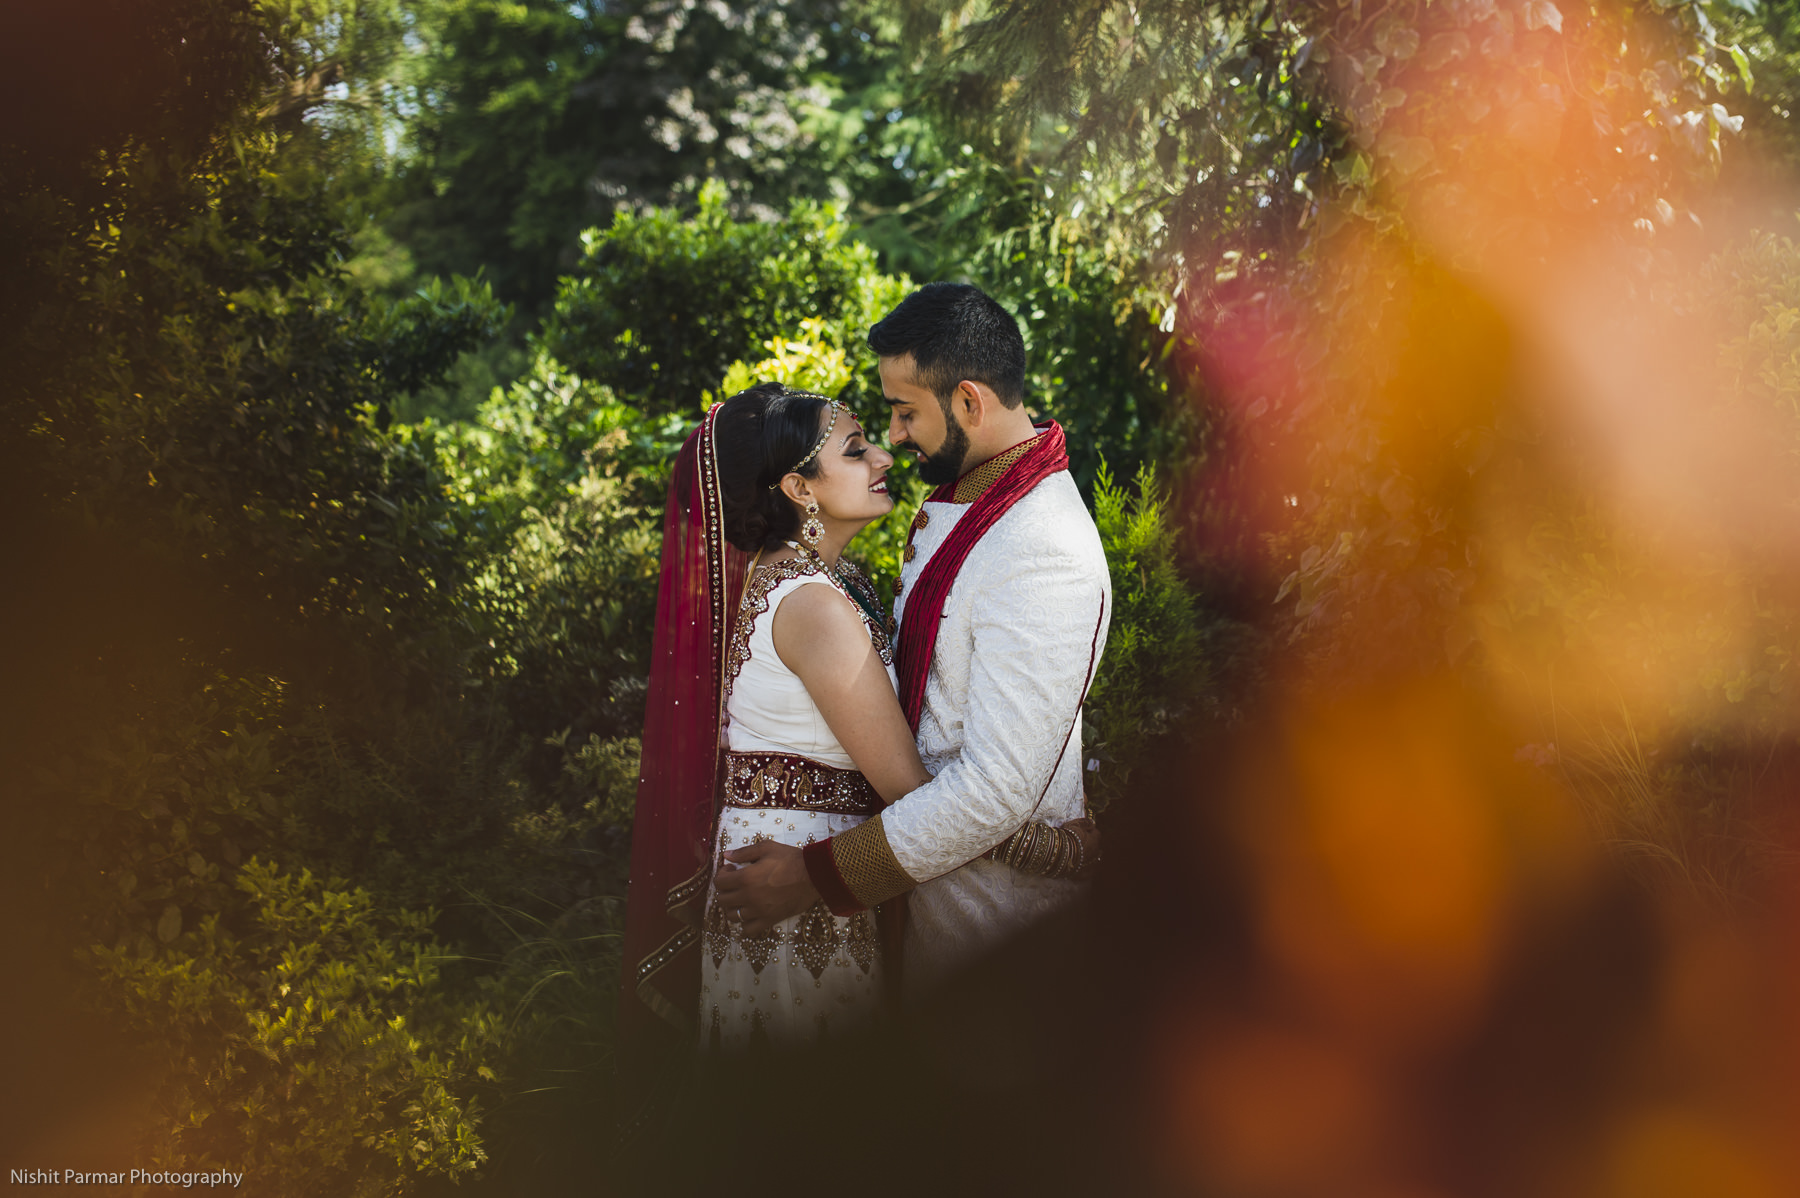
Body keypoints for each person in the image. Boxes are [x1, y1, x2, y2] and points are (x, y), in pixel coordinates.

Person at [619, 381, 1088, 1051]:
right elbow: (910, 790)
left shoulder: (824, 582)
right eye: (856, 450)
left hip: (804, 872)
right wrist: (1051, 849)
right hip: (793, 897)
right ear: (798, 488)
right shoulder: (812, 607)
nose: (884, 460)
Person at [713, 284, 1112, 995]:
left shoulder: (1043, 547)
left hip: (991, 934)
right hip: (922, 908)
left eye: (904, 414)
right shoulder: (971, 498)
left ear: (967, 402)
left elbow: (993, 792)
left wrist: (815, 876)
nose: (894, 440)